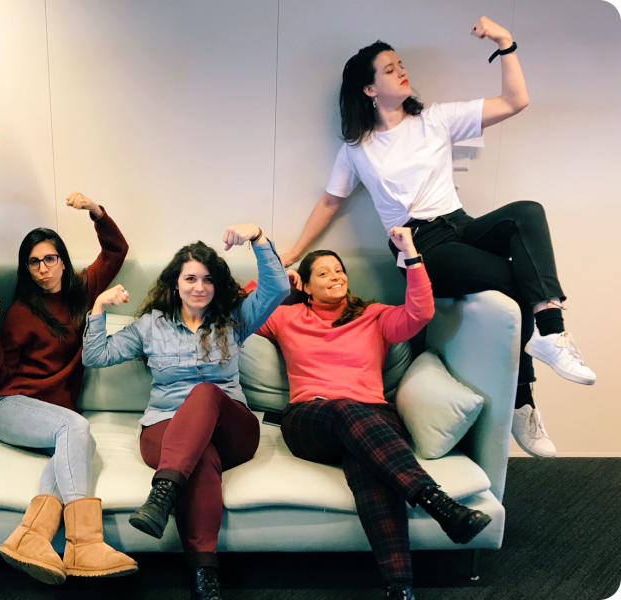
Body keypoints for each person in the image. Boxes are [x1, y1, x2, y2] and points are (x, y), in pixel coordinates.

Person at [280, 16, 595, 458]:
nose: (401, 71)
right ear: (369, 89)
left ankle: (550, 328)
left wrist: (505, 43)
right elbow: (331, 201)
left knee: (527, 213)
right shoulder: (358, 148)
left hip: (459, 223)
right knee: (511, 281)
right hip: (421, 247)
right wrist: (292, 253)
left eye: (401, 64)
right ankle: (523, 401)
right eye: (389, 69)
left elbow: (515, 100)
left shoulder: (436, 120)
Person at [261, 227, 491, 600]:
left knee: (371, 471)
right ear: (304, 285)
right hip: (309, 420)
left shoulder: (373, 315)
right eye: (323, 273)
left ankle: (399, 588)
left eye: (339, 271)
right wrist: (274, 282)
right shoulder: (285, 318)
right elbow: (236, 308)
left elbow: (421, 312)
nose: (336, 276)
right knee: (342, 408)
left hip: (372, 421)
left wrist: (412, 254)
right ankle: (441, 505)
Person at [83, 224, 289, 600]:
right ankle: (204, 576)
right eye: (190, 278)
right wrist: (98, 307)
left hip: (232, 431)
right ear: (175, 283)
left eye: (208, 279)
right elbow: (96, 355)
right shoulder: (150, 326)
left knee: (206, 391)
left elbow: (278, 289)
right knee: (199, 455)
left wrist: (258, 237)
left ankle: (161, 494)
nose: (199, 287)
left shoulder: (233, 320)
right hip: (165, 429)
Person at [0, 192, 137, 584]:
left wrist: (96, 210)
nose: (43, 268)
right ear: (26, 269)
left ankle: (31, 539)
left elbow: (116, 251)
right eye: (34, 262)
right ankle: (83, 545)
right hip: (11, 408)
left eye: (50, 258)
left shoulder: (82, 291)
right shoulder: (19, 313)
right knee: (76, 430)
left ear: (62, 259)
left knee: (77, 442)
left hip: (53, 415)